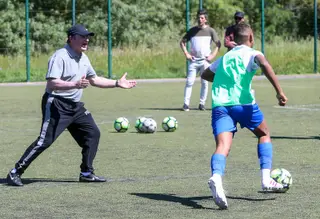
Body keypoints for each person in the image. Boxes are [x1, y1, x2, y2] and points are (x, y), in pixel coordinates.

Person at [6, 24, 137, 186]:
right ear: (71, 38)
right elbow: (52, 83)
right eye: (83, 36)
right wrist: (75, 84)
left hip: (75, 107)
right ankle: (15, 172)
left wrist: (117, 83)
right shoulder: (60, 56)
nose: (86, 40)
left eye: (88, 37)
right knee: (44, 142)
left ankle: (86, 173)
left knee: (92, 134)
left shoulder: (83, 57)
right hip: (56, 104)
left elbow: (94, 80)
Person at [201, 23, 288, 209]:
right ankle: (266, 180)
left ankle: (216, 177)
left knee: (223, 146)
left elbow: (205, 74)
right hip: (244, 105)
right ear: (250, 37)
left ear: (235, 39)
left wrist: (224, 80)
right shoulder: (252, 53)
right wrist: (279, 91)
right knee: (263, 133)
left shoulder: (225, 58)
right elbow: (264, 64)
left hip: (220, 106)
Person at [180, 9, 221, 111]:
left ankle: (201, 104)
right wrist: (187, 54)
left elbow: (218, 44)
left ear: (205, 19)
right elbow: (182, 42)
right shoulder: (192, 31)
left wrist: (212, 56)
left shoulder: (210, 31)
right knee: (189, 82)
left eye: (202, 18)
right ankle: (186, 104)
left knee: (204, 82)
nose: (200, 19)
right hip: (193, 60)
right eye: (198, 17)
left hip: (205, 61)